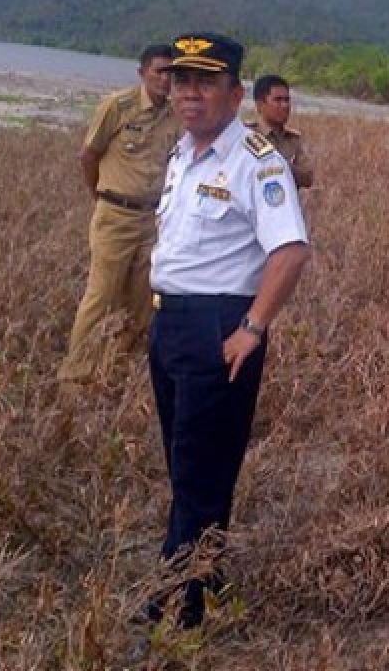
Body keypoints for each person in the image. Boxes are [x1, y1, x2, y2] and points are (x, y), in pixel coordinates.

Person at [145, 32, 309, 628]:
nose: (189, 94)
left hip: (219, 326)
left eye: (206, 83)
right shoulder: (184, 153)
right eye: (182, 81)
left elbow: (289, 251)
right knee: (186, 460)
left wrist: (252, 327)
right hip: (171, 323)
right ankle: (202, 577)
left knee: (199, 463)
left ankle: (179, 601)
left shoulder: (257, 161)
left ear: (236, 94)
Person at [57, 44, 180, 382]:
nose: (166, 79)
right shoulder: (118, 106)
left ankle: (117, 366)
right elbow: (88, 155)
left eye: (172, 72)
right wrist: (100, 194)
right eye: (159, 71)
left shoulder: (175, 117)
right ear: (142, 72)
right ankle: (75, 374)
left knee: (143, 302)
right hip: (116, 216)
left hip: (152, 220)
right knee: (102, 295)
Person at [246, 74, 313, 188]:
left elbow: (307, 179)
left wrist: (279, 164)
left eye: (287, 100)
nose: (285, 105)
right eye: (278, 100)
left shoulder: (293, 139)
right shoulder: (247, 135)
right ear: (260, 104)